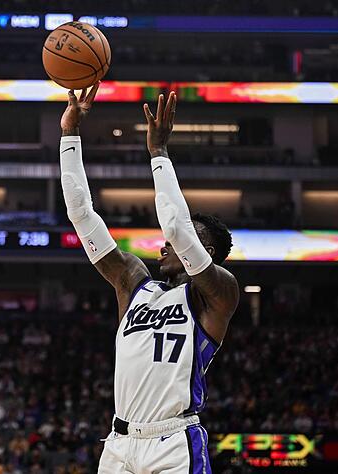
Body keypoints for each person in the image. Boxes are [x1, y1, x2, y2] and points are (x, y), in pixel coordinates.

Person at [59, 86, 239, 473]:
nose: (164, 247)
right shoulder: (135, 284)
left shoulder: (218, 294)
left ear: (204, 251)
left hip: (173, 442)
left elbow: (176, 228)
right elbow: (82, 215)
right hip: (120, 444)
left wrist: (159, 153)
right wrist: (69, 136)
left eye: (186, 242)